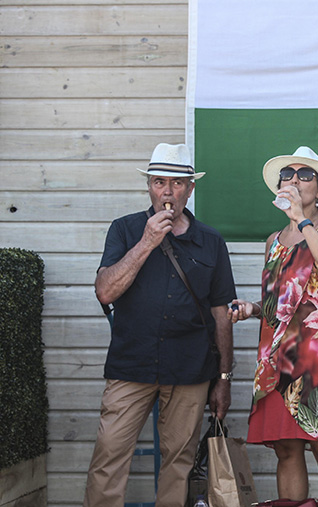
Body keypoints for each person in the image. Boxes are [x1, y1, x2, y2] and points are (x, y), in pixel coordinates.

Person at [84, 143, 236, 507]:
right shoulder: (125, 229)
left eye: (177, 183)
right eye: (158, 182)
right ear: (149, 187)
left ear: (190, 188)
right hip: (131, 364)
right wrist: (147, 242)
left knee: (179, 463)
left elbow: (222, 314)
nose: (167, 192)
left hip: (190, 367)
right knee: (108, 456)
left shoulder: (211, 241)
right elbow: (105, 291)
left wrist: (225, 379)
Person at [229, 146, 318, 506]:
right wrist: (253, 308)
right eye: (288, 174)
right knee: (285, 450)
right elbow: (278, 305)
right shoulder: (273, 242)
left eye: (305, 175)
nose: (294, 180)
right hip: (275, 358)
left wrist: (301, 219)